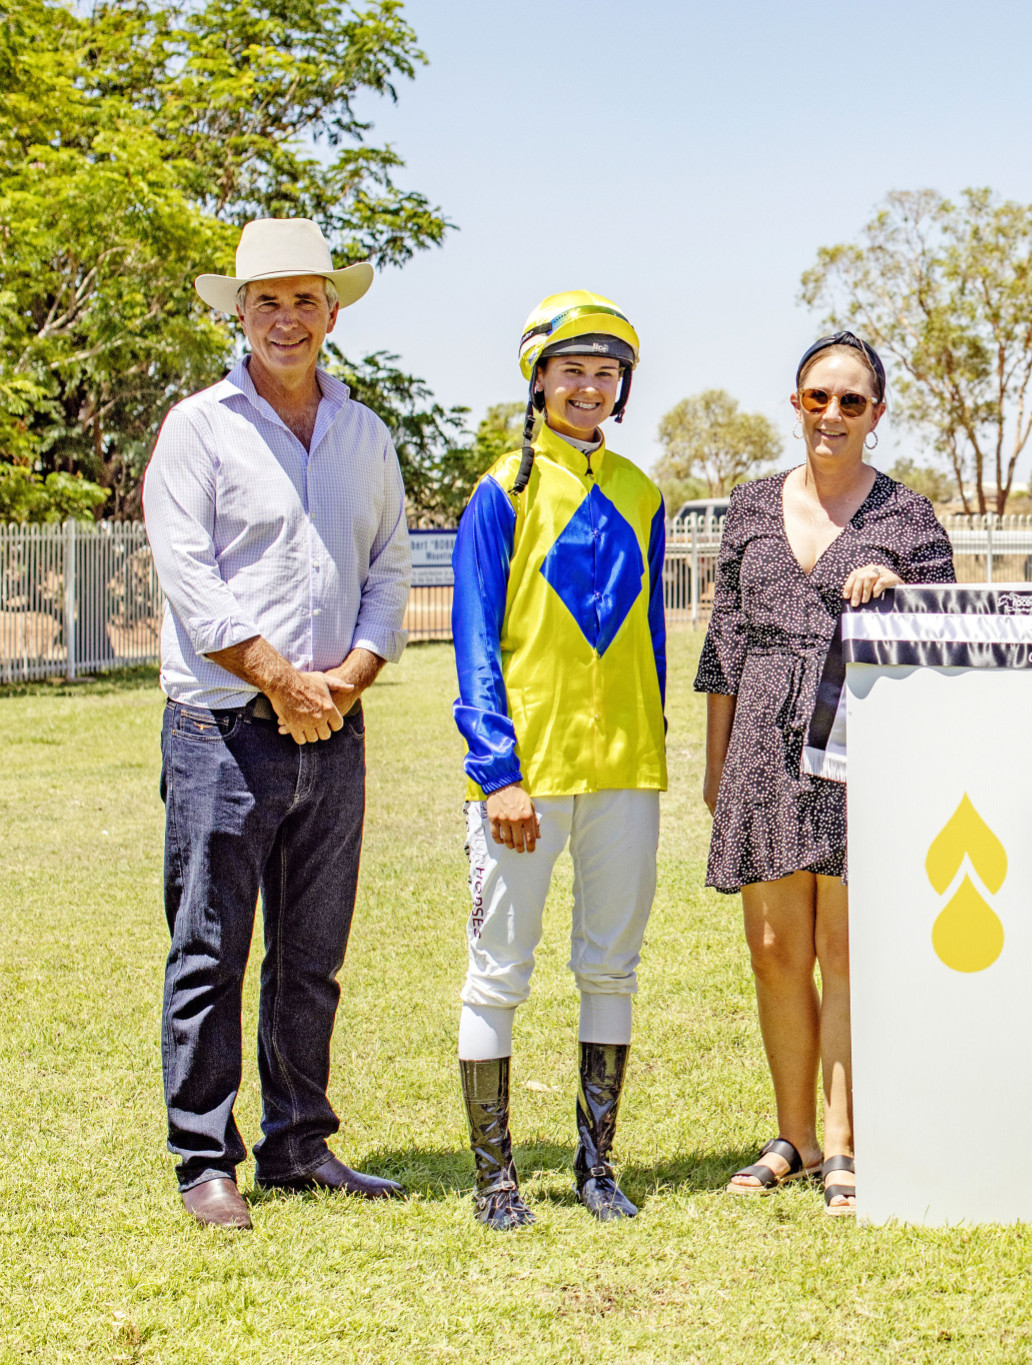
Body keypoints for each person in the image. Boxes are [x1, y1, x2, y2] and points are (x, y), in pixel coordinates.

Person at [142, 217, 410, 1230]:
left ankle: (300, 1144)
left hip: (334, 729)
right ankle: (205, 1159)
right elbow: (192, 583)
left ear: (333, 312)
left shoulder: (365, 434)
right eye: (267, 303)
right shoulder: (198, 429)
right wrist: (281, 681)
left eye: (305, 300)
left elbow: (388, 568)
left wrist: (343, 680)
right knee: (210, 947)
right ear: (239, 315)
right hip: (222, 730)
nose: (286, 320)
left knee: (312, 951)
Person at [697, 331, 955, 1216]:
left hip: (859, 752)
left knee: (845, 949)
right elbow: (723, 642)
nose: (832, 414)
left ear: (876, 414)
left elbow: (947, 639)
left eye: (852, 401)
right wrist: (716, 765)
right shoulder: (747, 506)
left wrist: (899, 594)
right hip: (761, 752)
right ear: (796, 402)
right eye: (818, 397)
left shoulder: (909, 520)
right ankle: (793, 1136)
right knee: (774, 951)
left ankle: (845, 1140)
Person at [449, 291, 668, 1230]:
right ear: (538, 378)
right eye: (571, 369)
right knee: (499, 970)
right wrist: (497, 769)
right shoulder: (503, 490)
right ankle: (496, 1175)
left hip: (626, 768)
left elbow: (653, 640)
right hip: (526, 775)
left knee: (610, 969)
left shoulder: (643, 492)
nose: (589, 386)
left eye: (605, 372)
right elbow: (473, 639)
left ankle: (596, 1164)